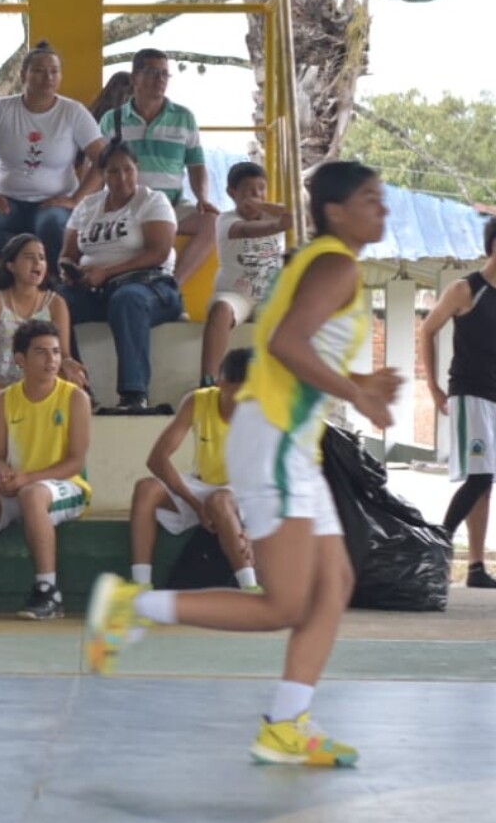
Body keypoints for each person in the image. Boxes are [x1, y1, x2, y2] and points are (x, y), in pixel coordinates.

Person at [88, 161, 399, 769]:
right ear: (336, 212)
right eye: (370, 199)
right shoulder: (334, 265)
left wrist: (359, 382)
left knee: (334, 584)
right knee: (284, 605)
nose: (382, 209)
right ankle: (133, 606)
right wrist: (356, 393)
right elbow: (283, 345)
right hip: (277, 442)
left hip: (292, 443)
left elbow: (297, 353)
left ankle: (286, 724)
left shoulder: (326, 264)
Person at [0, 320, 92, 620]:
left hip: (66, 485)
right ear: (21, 359)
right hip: (23, 484)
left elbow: (76, 462)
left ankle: (48, 591)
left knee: (32, 495)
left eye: (56, 352)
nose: (51, 359)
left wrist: (26, 478)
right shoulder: (5, 399)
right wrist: (4, 474)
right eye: (41, 352)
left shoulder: (74, 397)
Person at [0, 41, 107, 273]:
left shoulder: (73, 112)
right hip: (6, 199)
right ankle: (16, 276)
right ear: (23, 75)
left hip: (54, 201)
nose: (48, 77)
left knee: (53, 226)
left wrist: (76, 199)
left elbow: (103, 159)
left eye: (54, 71)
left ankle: (52, 283)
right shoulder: (2, 109)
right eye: (39, 71)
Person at [60, 140, 186, 414]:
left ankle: (134, 395)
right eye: (113, 171)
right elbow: (67, 254)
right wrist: (70, 271)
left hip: (150, 287)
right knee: (55, 301)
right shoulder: (88, 206)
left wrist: (107, 272)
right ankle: (78, 391)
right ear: (102, 174)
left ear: (137, 169)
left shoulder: (152, 200)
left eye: (128, 170)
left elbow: (159, 253)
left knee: (127, 299)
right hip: (96, 290)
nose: (122, 178)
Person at [128, 348, 260, 590]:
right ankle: (140, 586)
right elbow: (157, 459)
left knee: (220, 500)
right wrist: (196, 505)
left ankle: (250, 587)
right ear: (222, 384)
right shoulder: (197, 401)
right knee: (146, 488)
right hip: (203, 486)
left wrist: (253, 529)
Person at [98, 49, 220, 285]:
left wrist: (202, 198)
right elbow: (99, 169)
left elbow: (196, 165)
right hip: (128, 210)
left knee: (213, 223)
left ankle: (172, 287)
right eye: (153, 72)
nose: (161, 79)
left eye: (165, 74)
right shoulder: (112, 120)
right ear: (135, 78)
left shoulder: (184, 118)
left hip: (172, 207)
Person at [420, 215, 496, 590]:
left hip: (494, 398)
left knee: (486, 480)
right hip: (470, 394)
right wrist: (434, 387)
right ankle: (435, 546)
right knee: (480, 476)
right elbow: (427, 329)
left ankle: (477, 567)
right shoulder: (466, 289)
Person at [0, 234, 86, 412]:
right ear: (11, 266)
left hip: (39, 381)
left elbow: (64, 352)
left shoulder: (56, 303)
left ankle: (17, 407)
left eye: (41, 258)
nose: (37, 263)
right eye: (29, 257)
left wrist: (68, 362)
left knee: (73, 382)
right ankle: (30, 406)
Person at [203, 162, 288, 386]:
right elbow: (246, 230)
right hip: (236, 295)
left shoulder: (275, 216)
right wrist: (278, 225)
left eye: (261, 188)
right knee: (220, 310)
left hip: (269, 296)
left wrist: (266, 207)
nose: (256, 195)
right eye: (249, 190)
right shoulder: (225, 220)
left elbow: (301, 215)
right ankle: (209, 381)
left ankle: (280, 384)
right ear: (232, 193)